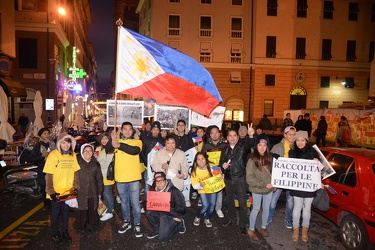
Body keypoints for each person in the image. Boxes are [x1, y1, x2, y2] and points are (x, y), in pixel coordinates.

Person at [105, 122, 144, 238]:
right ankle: (126, 222)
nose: (127, 131)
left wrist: (119, 145)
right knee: (124, 203)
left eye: (130, 129)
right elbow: (107, 149)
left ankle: (137, 224)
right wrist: (112, 139)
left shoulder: (137, 142)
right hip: (120, 179)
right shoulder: (117, 141)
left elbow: (134, 151)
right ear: (121, 130)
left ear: (132, 131)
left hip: (134, 179)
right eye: (125, 129)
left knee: (136, 203)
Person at [43, 134, 80, 245]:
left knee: (65, 212)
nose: (66, 145)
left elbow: (75, 172)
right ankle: (54, 232)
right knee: (55, 213)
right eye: (63, 142)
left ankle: (65, 231)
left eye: (68, 142)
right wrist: (51, 191)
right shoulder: (53, 155)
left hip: (68, 190)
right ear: (59, 143)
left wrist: (77, 187)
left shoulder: (72, 155)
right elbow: (48, 175)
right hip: (57, 191)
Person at [219, 125, 254, 235]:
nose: (232, 138)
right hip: (228, 179)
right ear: (227, 138)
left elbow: (250, 143)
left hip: (240, 178)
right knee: (229, 201)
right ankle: (232, 218)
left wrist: (251, 135)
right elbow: (220, 163)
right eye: (230, 136)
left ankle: (243, 224)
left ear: (238, 137)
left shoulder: (243, 147)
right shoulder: (224, 149)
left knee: (243, 203)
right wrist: (222, 165)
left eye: (235, 136)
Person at [288, 130, 321, 243]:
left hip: (309, 186)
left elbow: (321, 170)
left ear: (306, 141)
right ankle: (296, 230)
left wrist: (317, 163)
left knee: (307, 209)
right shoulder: (292, 152)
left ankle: (305, 231)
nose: (300, 142)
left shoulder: (314, 152)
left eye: (302, 140)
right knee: (297, 208)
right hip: (297, 185)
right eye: (297, 140)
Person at [246, 135, 274, 240]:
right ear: (256, 146)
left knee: (266, 209)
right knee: (256, 208)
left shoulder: (270, 157)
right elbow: (249, 178)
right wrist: (264, 184)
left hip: (269, 189)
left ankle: (263, 227)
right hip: (257, 188)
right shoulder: (252, 159)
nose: (262, 147)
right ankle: (251, 229)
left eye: (264, 145)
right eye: (259, 145)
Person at [268, 126, 296, 229]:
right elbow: (269, 162)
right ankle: (269, 217)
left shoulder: (298, 148)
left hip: (292, 180)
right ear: (285, 135)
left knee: (290, 202)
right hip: (279, 179)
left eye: (294, 135)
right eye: (290, 134)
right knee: (273, 200)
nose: (292, 137)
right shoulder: (277, 147)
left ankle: (287, 219)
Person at [145, 172, 186, 241]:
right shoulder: (154, 191)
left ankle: (179, 225)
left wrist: (169, 209)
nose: (159, 183)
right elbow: (149, 205)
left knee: (162, 238)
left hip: (173, 215)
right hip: (162, 214)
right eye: (157, 181)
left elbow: (182, 209)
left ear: (166, 180)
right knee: (149, 212)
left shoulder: (174, 191)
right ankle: (157, 229)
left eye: (161, 180)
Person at [75, 143, 104, 233]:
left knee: (92, 208)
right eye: (86, 151)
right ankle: (82, 226)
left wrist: (100, 192)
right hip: (81, 191)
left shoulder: (96, 164)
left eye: (90, 151)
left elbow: (99, 179)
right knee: (82, 209)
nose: (88, 153)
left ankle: (91, 225)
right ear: (82, 152)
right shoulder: (77, 163)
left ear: (93, 152)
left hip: (92, 191)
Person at [141, 121, 165, 210]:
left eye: (157, 129)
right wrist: (147, 163)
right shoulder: (145, 139)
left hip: (159, 169)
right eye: (154, 129)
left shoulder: (163, 141)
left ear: (159, 131)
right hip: (148, 168)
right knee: (148, 187)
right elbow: (142, 153)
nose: (155, 131)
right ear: (151, 130)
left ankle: (159, 204)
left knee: (160, 186)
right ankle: (147, 205)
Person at [191, 152, 219, 228]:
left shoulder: (212, 166)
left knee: (212, 206)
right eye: (198, 159)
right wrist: (200, 185)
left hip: (212, 189)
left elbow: (220, 177)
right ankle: (198, 216)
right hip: (202, 190)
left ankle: (207, 218)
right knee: (205, 206)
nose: (201, 161)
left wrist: (218, 175)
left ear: (206, 159)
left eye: (202, 158)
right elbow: (194, 186)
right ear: (196, 161)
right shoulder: (195, 171)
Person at [30, 127, 56, 206]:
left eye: (48, 133)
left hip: (53, 167)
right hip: (43, 169)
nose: (47, 135)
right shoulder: (38, 145)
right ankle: (46, 203)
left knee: (53, 185)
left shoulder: (53, 143)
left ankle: (53, 201)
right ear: (40, 135)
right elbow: (32, 158)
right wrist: (42, 155)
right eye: (44, 133)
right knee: (44, 186)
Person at [173, 119, 195, 207]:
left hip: (186, 161)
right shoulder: (173, 136)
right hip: (175, 161)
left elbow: (192, 148)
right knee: (176, 179)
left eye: (182, 125)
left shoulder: (188, 137)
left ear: (185, 127)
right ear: (177, 126)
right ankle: (177, 198)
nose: (180, 126)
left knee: (186, 179)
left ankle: (186, 198)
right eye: (179, 125)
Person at [95, 132, 115, 221]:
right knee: (104, 193)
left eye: (106, 139)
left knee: (107, 193)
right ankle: (110, 207)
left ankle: (110, 211)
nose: (104, 140)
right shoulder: (98, 148)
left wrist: (97, 158)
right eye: (102, 139)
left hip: (107, 175)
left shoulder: (111, 149)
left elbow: (107, 162)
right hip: (99, 175)